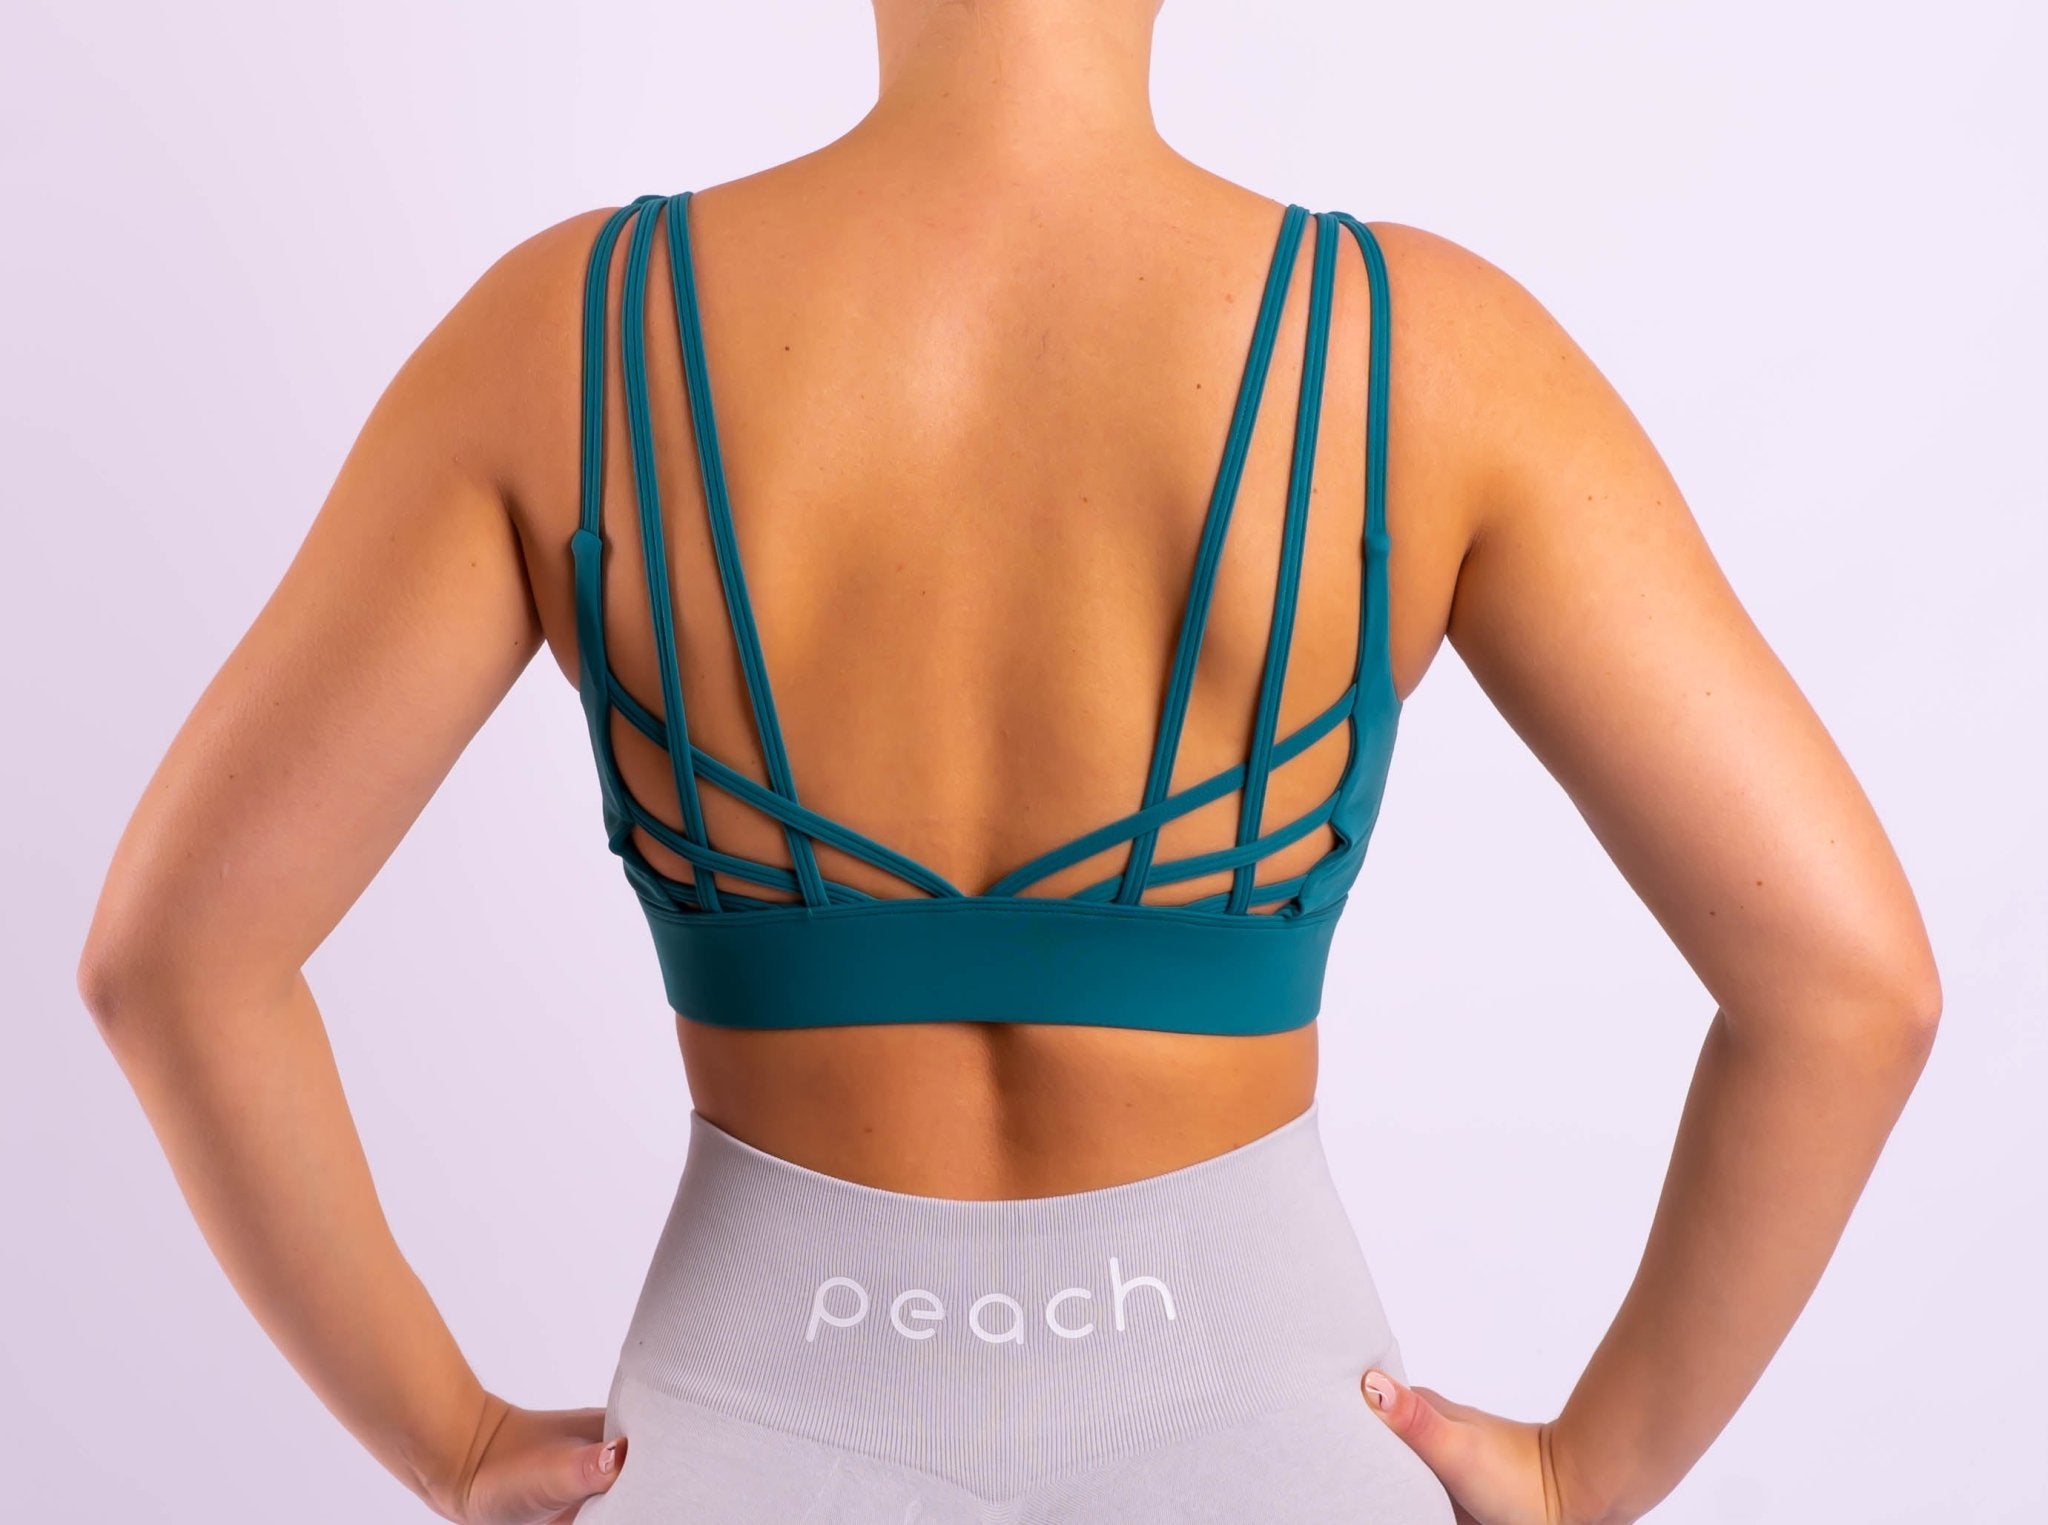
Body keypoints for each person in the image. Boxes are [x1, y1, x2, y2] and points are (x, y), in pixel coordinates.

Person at [74, 2, 1942, 1522]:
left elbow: (172, 958)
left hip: (749, 1431)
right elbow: (1851, 986)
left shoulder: (570, 336)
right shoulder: (1422, 355)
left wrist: (457, 1442)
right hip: (1262, 1433)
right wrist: (1588, 1472)